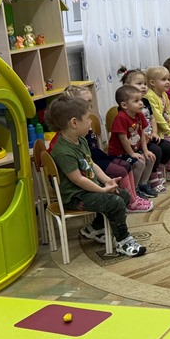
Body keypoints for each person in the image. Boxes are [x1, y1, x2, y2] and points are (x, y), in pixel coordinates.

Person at [45, 94, 146, 257]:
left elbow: (91, 164)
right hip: (75, 197)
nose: (91, 122)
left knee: (124, 195)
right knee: (115, 202)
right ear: (74, 123)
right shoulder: (62, 151)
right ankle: (123, 241)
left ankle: (95, 228)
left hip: (87, 191)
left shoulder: (81, 140)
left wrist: (107, 181)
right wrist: (102, 190)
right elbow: (78, 179)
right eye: (87, 118)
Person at [56, 85, 153, 213]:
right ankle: (131, 203)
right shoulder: (69, 138)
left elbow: (90, 158)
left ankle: (132, 197)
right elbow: (78, 170)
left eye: (91, 101)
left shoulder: (83, 127)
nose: (90, 106)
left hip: (96, 158)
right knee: (121, 171)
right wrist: (102, 187)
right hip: (90, 166)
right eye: (86, 102)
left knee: (126, 168)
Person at [119, 67, 170, 193]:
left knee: (168, 147)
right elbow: (128, 131)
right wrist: (144, 136)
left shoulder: (145, 102)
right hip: (135, 142)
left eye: (145, 83)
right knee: (156, 151)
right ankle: (153, 178)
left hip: (147, 137)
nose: (144, 87)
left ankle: (157, 171)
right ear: (127, 87)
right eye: (139, 84)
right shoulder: (125, 108)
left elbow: (152, 118)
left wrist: (154, 132)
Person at [107, 85, 159, 202]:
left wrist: (145, 150)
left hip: (133, 149)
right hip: (119, 153)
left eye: (140, 100)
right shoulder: (121, 117)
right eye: (136, 101)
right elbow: (123, 139)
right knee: (139, 163)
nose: (141, 103)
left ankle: (143, 184)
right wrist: (132, 154)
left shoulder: (139, 114)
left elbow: (142, 134)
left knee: (150, 157)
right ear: (124, 105)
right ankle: (133, 190)